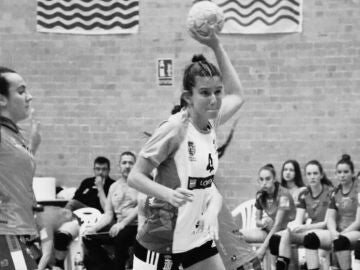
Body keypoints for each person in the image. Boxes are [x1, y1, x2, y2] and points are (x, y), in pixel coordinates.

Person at [128, 28, 244, 270]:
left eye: (216, 92)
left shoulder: (211, 121)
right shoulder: (174, 129)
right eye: (204, 93)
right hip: (162, 239)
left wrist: (216, 45)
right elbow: (135, 176)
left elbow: (237, 94)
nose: (214, 99)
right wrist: (168, 194)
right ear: (187, 97)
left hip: (195, 236)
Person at [0, 66, 41, 269]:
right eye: (21, 91)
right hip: (5, 232)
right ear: (2, 99)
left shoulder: (14, 135)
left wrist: (32, 147)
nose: (29, 97)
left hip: (19, 232)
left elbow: (13, 174)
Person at [52, 156, 116, 270]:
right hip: (79, 217)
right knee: (62, 235)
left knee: (72, 203)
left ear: (109, 170)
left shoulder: (112, 185)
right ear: (94, 169)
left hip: (99, 218)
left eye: (104, 169)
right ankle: (58, 263)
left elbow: (108, 210)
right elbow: (77, 197)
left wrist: (100, 188)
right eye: (98, 169)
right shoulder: (87, 182)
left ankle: (56, 222)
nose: (100, 172)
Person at [83, 151, 138, 270]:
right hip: (118, 227)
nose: (127, 166)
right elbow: (108, 213)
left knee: (121, 236)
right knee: (88, 237)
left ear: (135, 165)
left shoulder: (140, 184)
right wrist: (94, 228)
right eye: (124, 163)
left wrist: (122, 224)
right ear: (119, 166)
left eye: (131, 163)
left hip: (135, 227)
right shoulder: (114, 187)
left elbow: (140, 208)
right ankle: (108, 267)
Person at [303, 154, 360, 270]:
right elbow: (330, 218)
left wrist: (342, 234)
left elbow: (358, 222)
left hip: (354, 232)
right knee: (310, 238)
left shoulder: (357, 191)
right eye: (339, 172)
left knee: (340, 242)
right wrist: (334, 232)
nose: (342, 175)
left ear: (352, 173)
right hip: (337, 233)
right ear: (335, 174)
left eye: (346, 172)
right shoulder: (335, 192)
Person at [279, 160, 333, 270]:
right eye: (309, 174)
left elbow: (326, 223)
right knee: (285, 235)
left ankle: (307, 265)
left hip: (327, 231)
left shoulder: (330, 192)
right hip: (310, 230)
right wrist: (291, 228)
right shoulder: (304, 194)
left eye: (315, 173)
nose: (312, 177)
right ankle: (283, 266)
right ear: (305, 176)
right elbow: (298, 221)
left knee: (314, 246)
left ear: (321, 175)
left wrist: (304, 227)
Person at [241, 164, 296, 270]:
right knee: (237, 235)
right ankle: (242, 264)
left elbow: (278, 224)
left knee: (276, 239)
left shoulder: (284, 194)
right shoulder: (260, 195)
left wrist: (262, 249)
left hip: (286, 229)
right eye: (261, 179)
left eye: (267, 179)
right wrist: (263, 222)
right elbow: (257, 221)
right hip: (270, 229)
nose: (264, 183)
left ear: (274, 179)